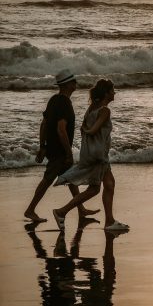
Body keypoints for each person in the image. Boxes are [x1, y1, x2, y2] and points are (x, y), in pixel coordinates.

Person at [52, 79, 129, 231]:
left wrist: (86, 131)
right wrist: (89, 131)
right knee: (96, 189)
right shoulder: (105, 110)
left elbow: (84, 128)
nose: (115, 93)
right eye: (112, 90)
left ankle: (109, 221)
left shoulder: (91, 108)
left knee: (109, 184)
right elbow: (93, 129)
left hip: (90, 153)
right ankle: (62, 211)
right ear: (106, 93)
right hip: (98, 154)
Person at [24, 69, 99, 222]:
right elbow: (61, 129)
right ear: (68, 85)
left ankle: (81, 209)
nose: (76, 83)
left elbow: (44, 124)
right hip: (59, 151)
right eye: (74, 81)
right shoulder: (64, 103)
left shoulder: (54, 100)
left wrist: (43, 146)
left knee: (71, 178)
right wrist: (68, 153)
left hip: (52, 148)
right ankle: (30, 210)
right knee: (47, 180)